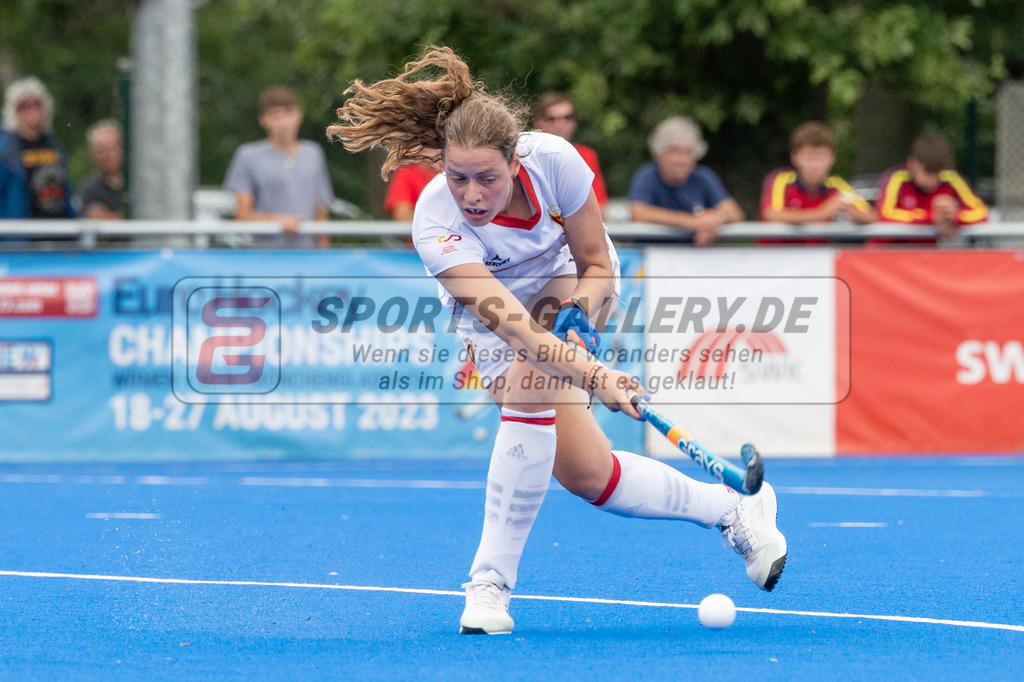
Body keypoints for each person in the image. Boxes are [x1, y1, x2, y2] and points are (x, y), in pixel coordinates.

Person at [327, 46, 786, 636]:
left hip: (571, 279)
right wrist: (597, 375)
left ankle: (488, 586)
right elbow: (515, 328)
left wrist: (579, 315)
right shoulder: (434, 220)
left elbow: (595, 261)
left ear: (515, 162)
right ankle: (732, 509)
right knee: (587, 473)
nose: (471, 194)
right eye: (457, 176)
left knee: (529, 390)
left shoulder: (556, 162)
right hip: (498, 320)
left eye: (487, 177)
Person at [223, 85, 334, 248]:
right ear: (263, 120)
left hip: (308, 256)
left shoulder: (313, 154)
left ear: (299, 115)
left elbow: (320, 212)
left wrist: (325, 256)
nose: (283, 123)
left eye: (288, 113)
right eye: (276, 115)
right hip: (266, 257)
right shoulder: (248, 156)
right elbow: (242, 215)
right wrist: (280, 223)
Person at [628, 116, 743, 246]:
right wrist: (692, 222)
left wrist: (713, 220)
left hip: (693, 260)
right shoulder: (647, 176)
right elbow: (639, 213)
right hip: (650, 259)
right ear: (660, 154)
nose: (682, 160)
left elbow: (734, 213)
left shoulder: (703, 177)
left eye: (688, 152)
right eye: (675, 151)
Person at [875, 132, 988, 241]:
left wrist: (953, 216)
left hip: (926, 254)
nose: (932, 180)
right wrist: (932, 216)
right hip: (888, 252)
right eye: (927, 172)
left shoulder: (950, 178)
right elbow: (884, 214)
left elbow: (981, 212)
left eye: (936, 173)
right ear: (912, 162)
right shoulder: (897, 177)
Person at [759, 122, 873, 225]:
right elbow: (771, 214)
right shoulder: (781, 179)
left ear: (832, 159)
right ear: (795, 157)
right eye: (809, 157)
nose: (815, 165)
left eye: (822, 158)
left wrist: (854, 213)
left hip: (818, 249)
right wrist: (821, 212)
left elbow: (872, 216)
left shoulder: (836, 185)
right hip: (778, 248)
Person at [0, 76, 75, 219]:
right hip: (25, 233)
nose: (32, 111)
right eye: (24, 106)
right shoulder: (6, 151)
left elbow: (65, 189)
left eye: (36, 104)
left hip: (59, 229)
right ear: (14, 111)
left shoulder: (54, 144)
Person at [532, 91, 609, 216]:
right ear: (538, 121)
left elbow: (600, 209)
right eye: (552, 118)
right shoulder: (526, 156)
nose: (561, 124)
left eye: (568, 117)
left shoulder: (586, 155)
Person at [77, 119, 125, 220]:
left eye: (112, 148)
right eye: (101, 151)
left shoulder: (138, 185)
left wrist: (112, 219)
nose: (107, 155)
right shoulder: (89, 190)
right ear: (92, 155)